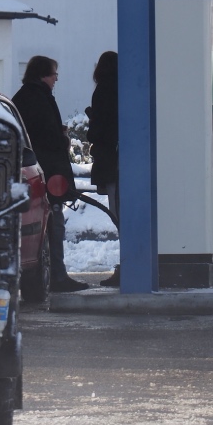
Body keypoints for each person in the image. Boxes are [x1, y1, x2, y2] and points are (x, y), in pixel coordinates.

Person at [12, 55, 89, 293]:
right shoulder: (39, 98)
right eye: (54, 74)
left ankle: (56, 273)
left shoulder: (23, 97)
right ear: (43, 74)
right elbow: (48, 138)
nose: (56, 79)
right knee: (54, 224)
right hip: (47, 174)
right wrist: (62, 137)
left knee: (50, 224)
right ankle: (58, 275)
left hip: (38, 171)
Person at [85, 51, 120, 288]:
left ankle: (127, 265)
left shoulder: (103, 90)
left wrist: (92, 119)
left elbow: (99, 130)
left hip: (111, 161)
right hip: (120, 159)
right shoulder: (124, 89)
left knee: (119, 214)